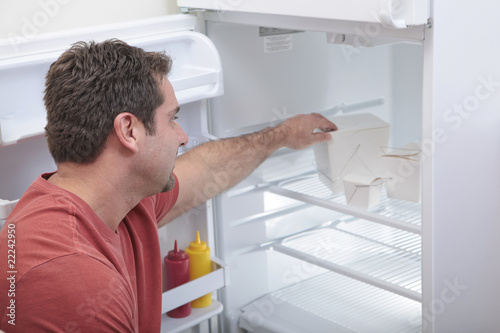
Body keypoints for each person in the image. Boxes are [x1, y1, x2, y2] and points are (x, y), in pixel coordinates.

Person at [0, 39, 337, 332]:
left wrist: (280, 136)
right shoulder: (74, 282)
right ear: (129, 131)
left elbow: (205, 169)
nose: (182, 136)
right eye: (172, 118)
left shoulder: (121, 203)